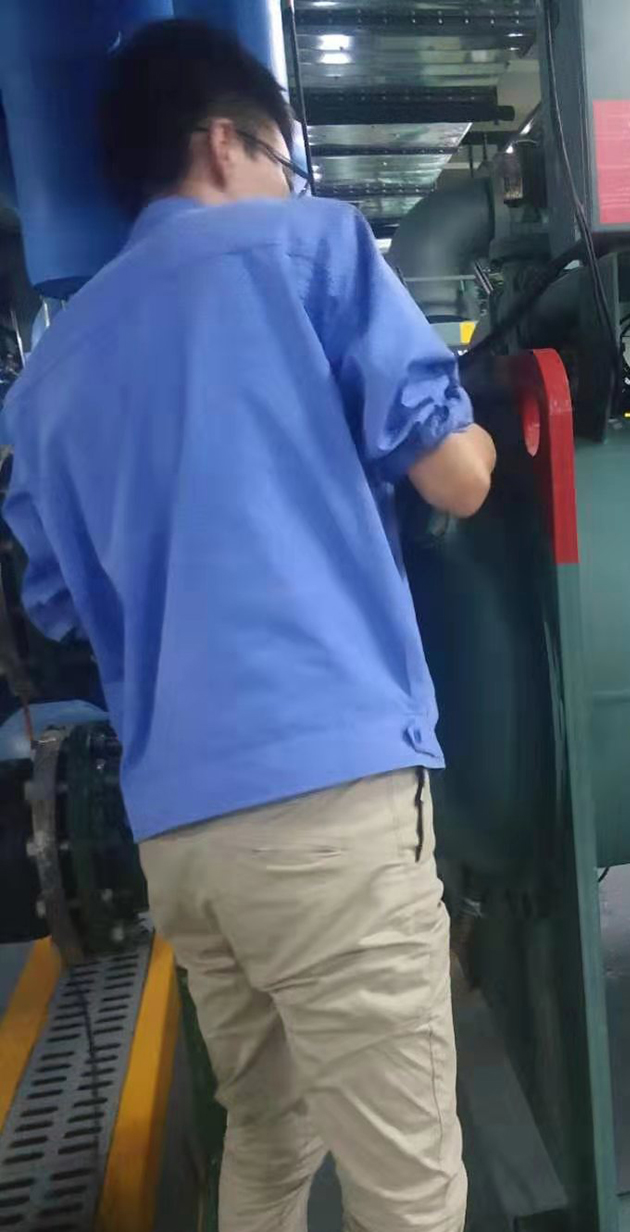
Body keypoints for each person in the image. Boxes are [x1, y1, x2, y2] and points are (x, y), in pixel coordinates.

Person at [3, 19, 495, 1232]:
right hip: (328, 807)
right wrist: (477, 434)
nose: (289, 182)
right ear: (224, 142)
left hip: (182, 836)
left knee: (268, 1139)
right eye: (284, 158)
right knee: (408, 1188)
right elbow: (456, 480)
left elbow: (59, 605)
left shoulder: (47, 380)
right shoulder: (311, 248)